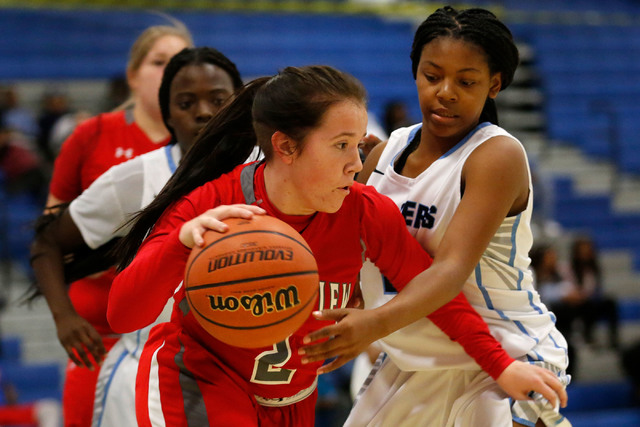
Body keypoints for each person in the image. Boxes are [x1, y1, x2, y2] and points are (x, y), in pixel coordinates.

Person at [108, 65, 565, 426]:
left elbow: (436, 294)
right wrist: (180, 248)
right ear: (286, 147)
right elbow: (123, 315)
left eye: (359, 144)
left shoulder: (365, 211)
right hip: (199, 383)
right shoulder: (214, 205)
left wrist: (501, 366)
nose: (357, 163)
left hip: (293, 396)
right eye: (342, 145)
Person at [295, 7, 571, 427]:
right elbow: (352, 249)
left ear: (493, 85)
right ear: (415, 73)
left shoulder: (496, 155)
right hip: (414, 358)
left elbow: (449, 271)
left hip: (505, 349)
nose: (445, 92)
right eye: (432, 75)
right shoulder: (384, 153)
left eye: (466, 81)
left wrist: (371, 323)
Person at [30, 46, 244, 427]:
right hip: (147, 376)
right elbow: (47, 241)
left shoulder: (270, 170)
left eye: (218, 99)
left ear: (239, 105)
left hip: (239, 375)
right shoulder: (136, 178)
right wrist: (64, 318)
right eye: (185, 102)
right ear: (168, 116)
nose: (204, 112)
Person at [38, 21, 193, 427]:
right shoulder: (91, 135)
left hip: (178, 339)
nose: (170, 73)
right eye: (159, 62)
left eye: (179, 63)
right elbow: (49, 232)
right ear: (133, 75)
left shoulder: (205, 147)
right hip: (98, 330)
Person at [568, 235, 619, 350]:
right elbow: (570, 289)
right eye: (583, 250)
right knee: (587, 305)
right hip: (578, 303)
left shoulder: (593, 268)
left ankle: (614, 340)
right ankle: (588, 336)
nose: (586, 252)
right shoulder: (569, 267)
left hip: (591, 299)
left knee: (610, 303)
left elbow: (596, 288)